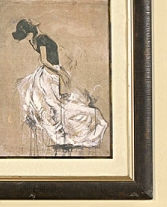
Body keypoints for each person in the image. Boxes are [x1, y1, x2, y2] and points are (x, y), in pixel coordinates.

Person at [11, 19, 108, 154]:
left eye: (26, 35)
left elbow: (54, 50)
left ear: (30, 32)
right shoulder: (39, 39)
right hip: (49, 74)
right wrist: (60, 71)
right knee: (57, 106)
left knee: (59, 105)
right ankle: (68, 135)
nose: (26, 38)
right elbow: (44, 60)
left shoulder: (40, 39)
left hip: (50, 73)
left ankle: (71, 132)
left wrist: (66, 62)